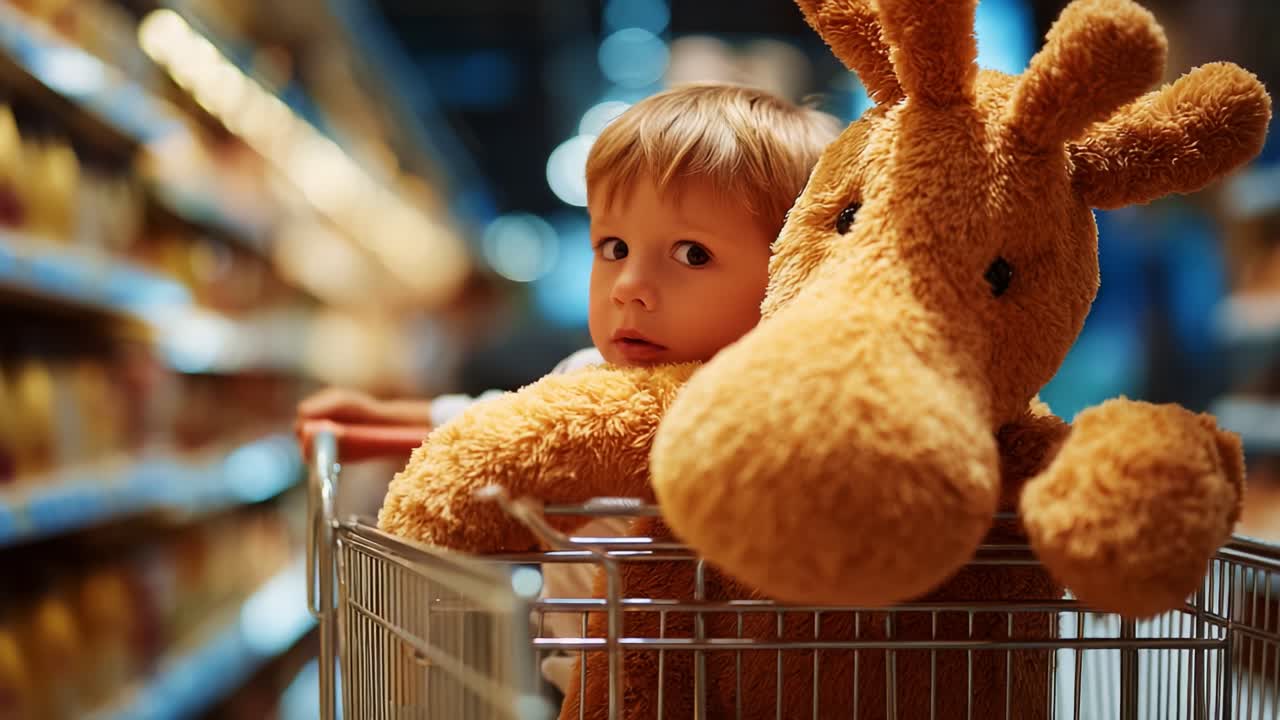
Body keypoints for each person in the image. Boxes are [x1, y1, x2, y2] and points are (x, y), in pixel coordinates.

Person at [296, 81, 840, 693]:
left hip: (734, 690)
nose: (628, 285)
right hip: (573, 683)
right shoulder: (589, 373)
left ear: (794, 272)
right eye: (614, 247)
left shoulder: (776, 406)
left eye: (691, 254)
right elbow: (501, 426)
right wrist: (378, 424)